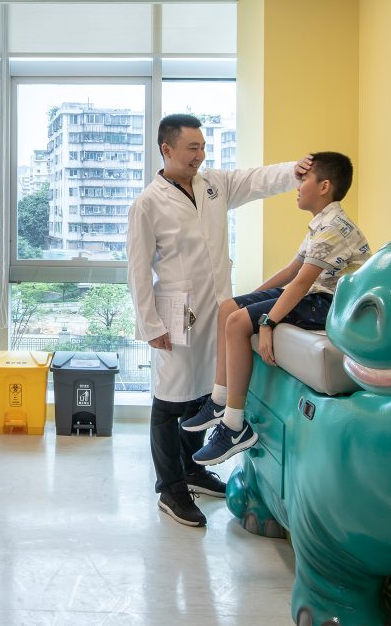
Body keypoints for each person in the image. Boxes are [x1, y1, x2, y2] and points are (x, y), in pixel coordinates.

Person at [128, 113, 314, 528]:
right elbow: (138, 269)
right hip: (174, 311)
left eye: (203, 146)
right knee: (170, 400)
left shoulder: (213, 184)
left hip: (217, 306)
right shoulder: (147, 204)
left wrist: (294, 171)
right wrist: (150, 324)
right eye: (192, 147)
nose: (201, 154)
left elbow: (255, 180)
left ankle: (192, 468)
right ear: (167, 149)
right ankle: (170, 487)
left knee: (203, 395)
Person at [186, 152, 371, 465]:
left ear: (324, 186)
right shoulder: (321, 223)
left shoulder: (335, 228)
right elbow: (290, 270)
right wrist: (249, 300)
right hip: (315, 295)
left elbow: (301, 284)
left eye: (304, 180)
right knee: (227, 310)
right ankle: (219, 400)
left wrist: (268, 321)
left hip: (332, 304)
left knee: (237, 324)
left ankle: (233, 426)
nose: (297, 186)